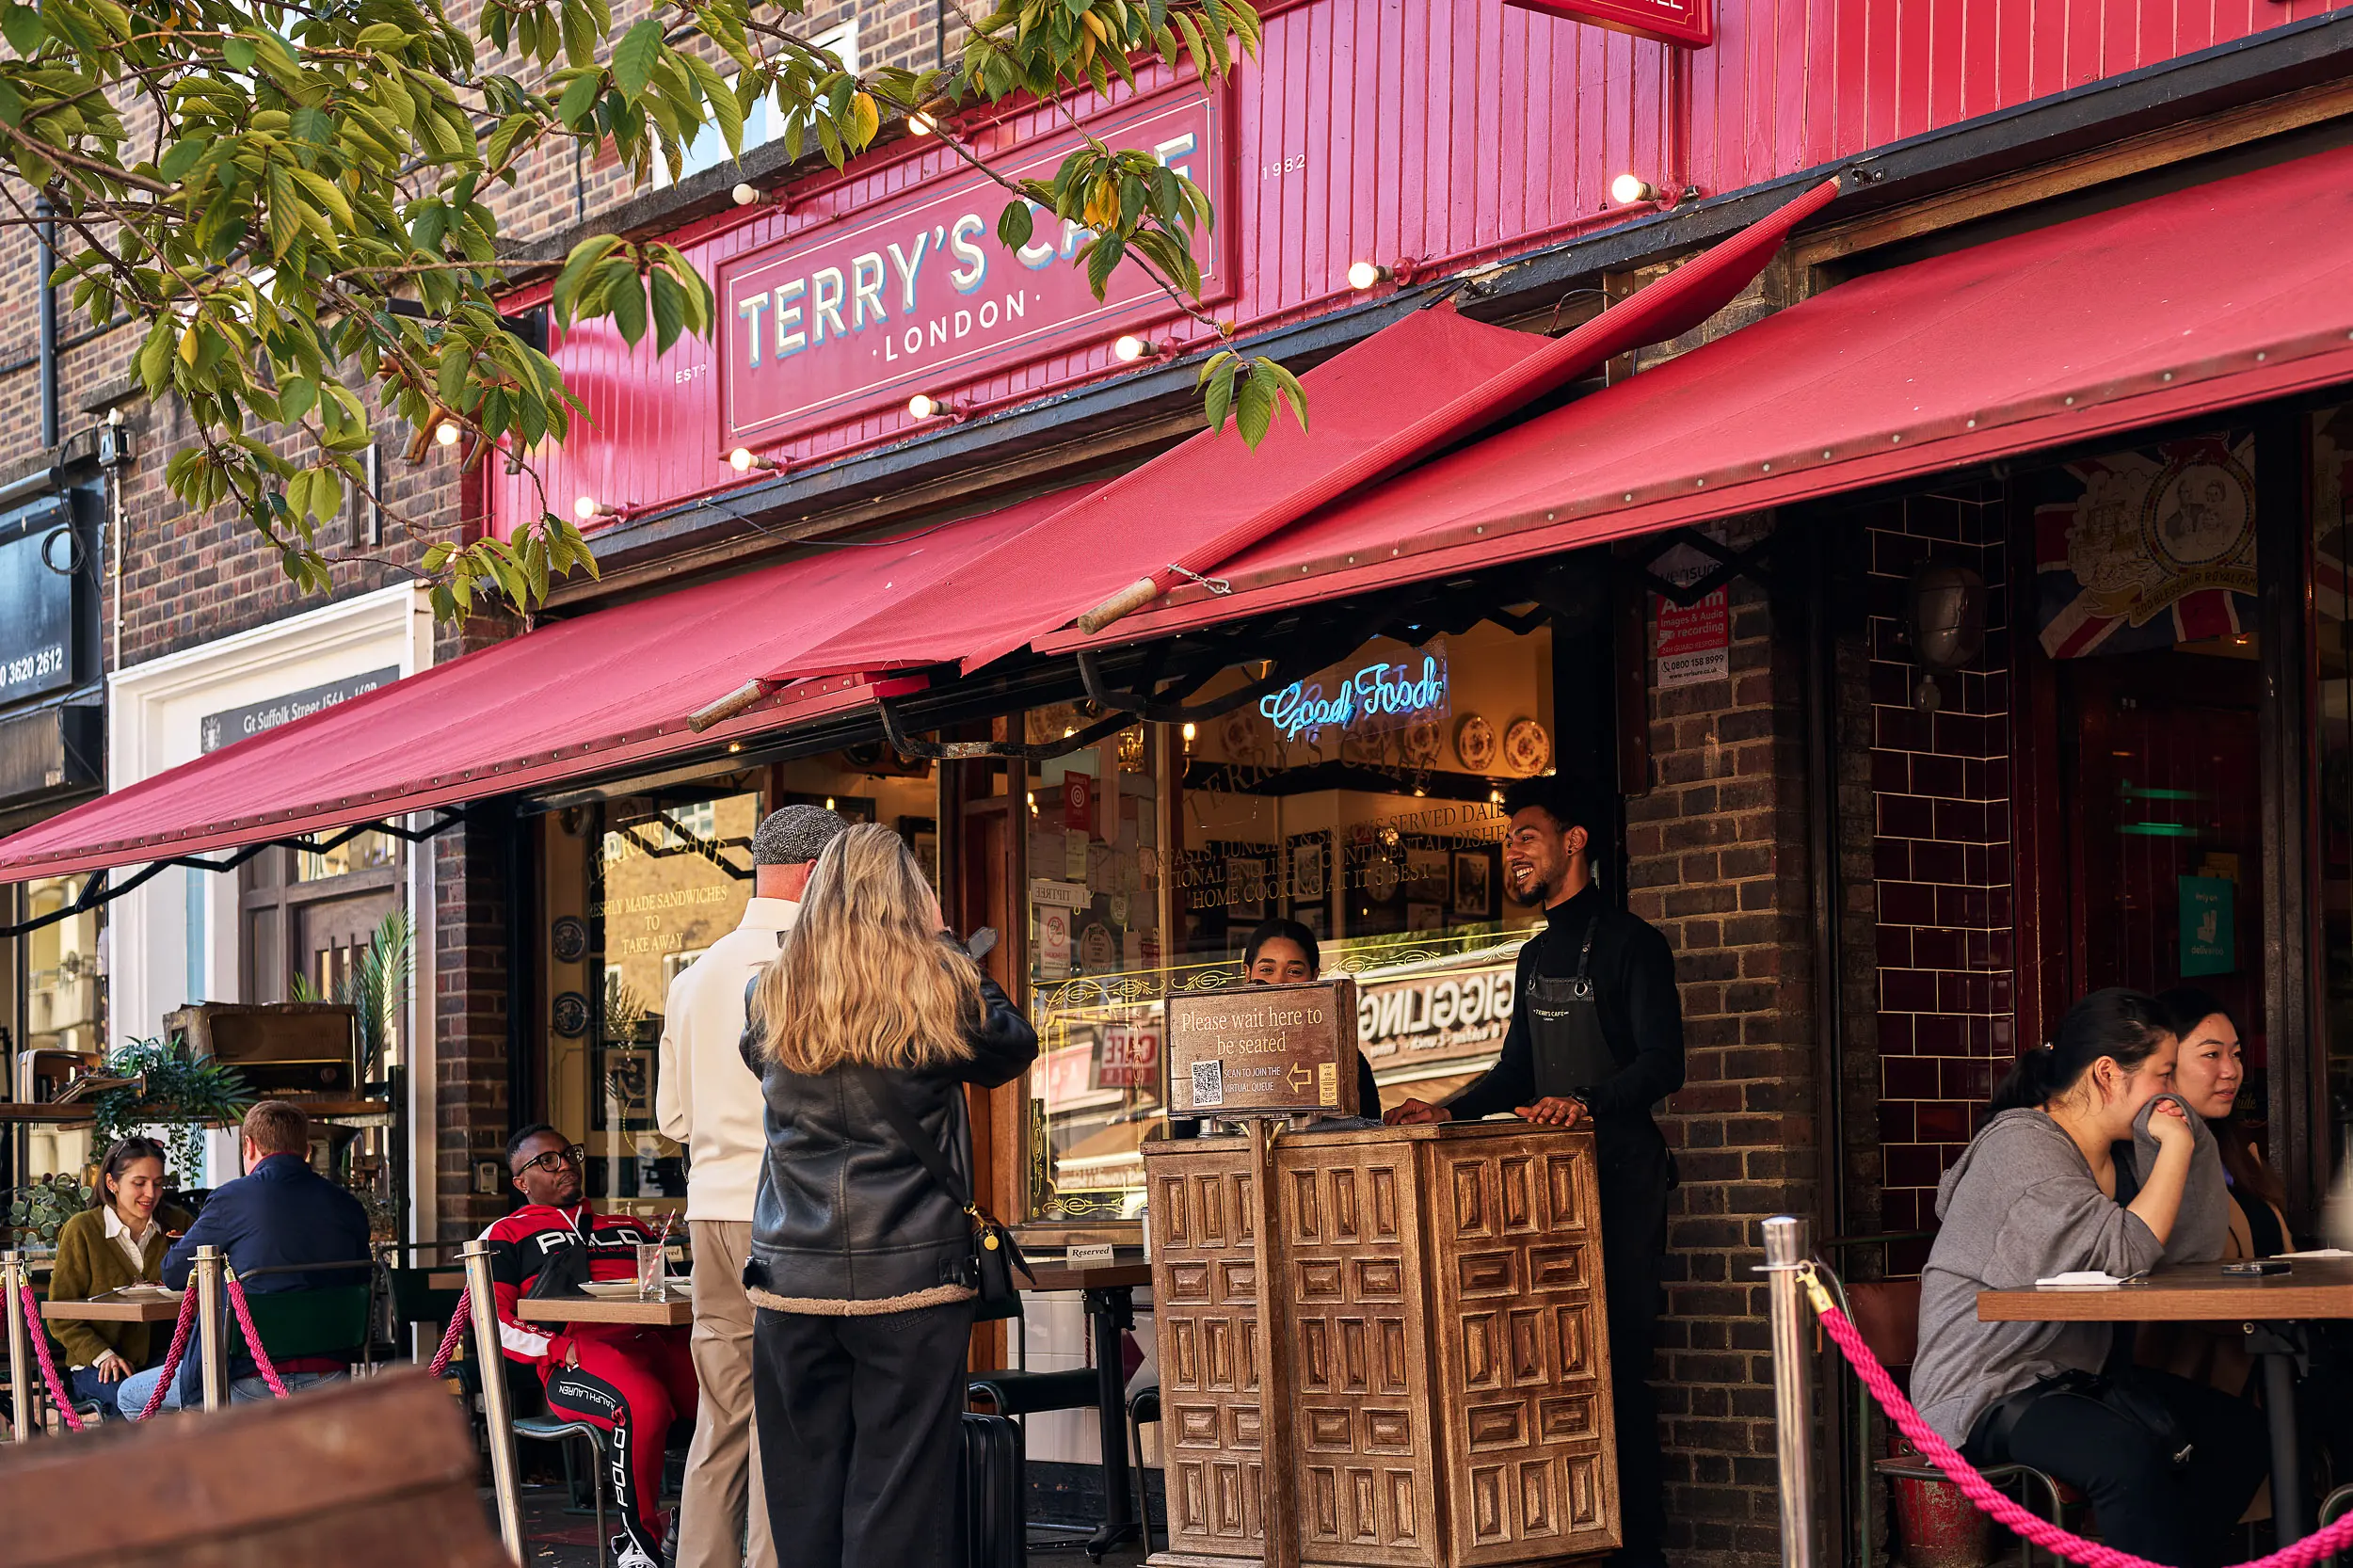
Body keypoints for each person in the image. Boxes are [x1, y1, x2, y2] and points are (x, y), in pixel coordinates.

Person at [1385, 775, 1682, 1568]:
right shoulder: (1534, 954)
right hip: (1548, 1190)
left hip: (1620, 1178)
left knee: (1618, 1363)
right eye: (1509, 838)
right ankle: (1575, 1535)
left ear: (1574, 840)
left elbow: (1663, 1063)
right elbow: (1518, 1071)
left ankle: (1639, 1548)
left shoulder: (1633, 944)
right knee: (1560, 1363)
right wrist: (1450, 1109)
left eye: (1526, 834)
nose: (1512, 850)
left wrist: (1585, 1102)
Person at [741, 824, 1038, 1568]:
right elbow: (1014, 1046)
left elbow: (764, 1067)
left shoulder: (768, 994)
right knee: (899, 1493)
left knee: (804, 1492)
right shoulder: (939, 992)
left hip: (791, 1281)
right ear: (911, 900)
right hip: (911, 1282)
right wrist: (945, 949)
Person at [1910, 989, 2268, 1568]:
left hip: (2079, 1377)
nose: (2173, 1091)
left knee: (2240, 1436)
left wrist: (2180, 1138)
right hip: (1988, 1387)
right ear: (2107, 1074)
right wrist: (2175, 1144)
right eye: (2163, 1073)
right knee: (2125, 1459)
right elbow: (2125, 1252)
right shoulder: (2022, 1148)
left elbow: (2188, 1247)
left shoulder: (2122, 1154)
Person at [658, 803, 845, 1568]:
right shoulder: (824, 964)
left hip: (712, 1211)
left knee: (723, 1410)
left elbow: (673, 1117)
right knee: (788, 1412)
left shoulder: (693, 977)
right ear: (814, 874)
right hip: (795, 1211)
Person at [483, 1124, 698, 1568]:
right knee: (643, 1404)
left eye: (569, 1155)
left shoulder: (628, 1226)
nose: (565, 1165)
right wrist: (558, 1349)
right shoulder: (503, 1234)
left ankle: (700, 1520)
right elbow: (493, 1323)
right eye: (547, 1160)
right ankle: (638, 1541)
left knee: (733, 1394)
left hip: (657, 1340)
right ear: (521, 1182)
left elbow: (669, 1290)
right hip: (576, 1356)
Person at [118, 1100, 371, 1417]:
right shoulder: (348, 1206)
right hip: (332, 1375)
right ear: (306, 1150)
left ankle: (202, 1461)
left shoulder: (232, 1199)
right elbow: (360, 1282)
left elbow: (173, 1274)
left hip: (247, 1379)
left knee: (128, 1395)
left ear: (249, 1146)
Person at [46, 1136, 192, 1417]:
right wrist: (103, 1354)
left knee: (200, 1393)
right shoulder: (82, 1231)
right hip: (98, 1362)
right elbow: (61, 1314)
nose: (151, 1193)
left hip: (164, 1356)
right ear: (112, 1183)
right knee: (131, 1401)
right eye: (139, 1183)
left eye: (159, 1184)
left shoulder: (179, 1225)